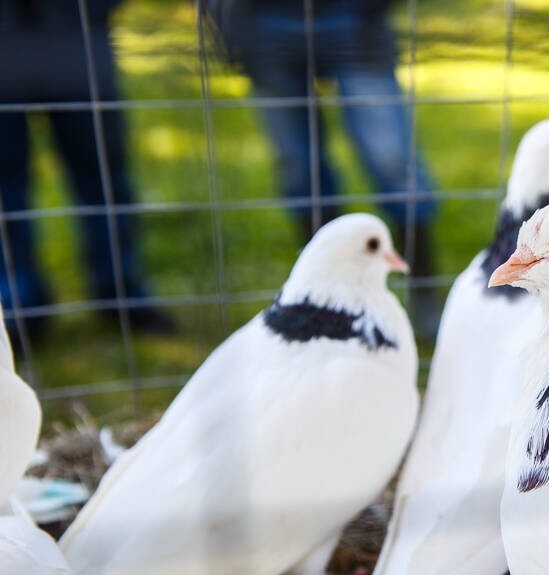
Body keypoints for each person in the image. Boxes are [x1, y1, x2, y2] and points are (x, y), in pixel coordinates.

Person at [203, 0, 441, 334]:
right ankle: (326, 300)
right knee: (299, 167)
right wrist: (224, 20)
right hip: (263, 23)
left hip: (356, 17)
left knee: (393, 160)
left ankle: (425, 295)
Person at [0, 0, 175, 347]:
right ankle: (17, 305)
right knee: (5, 186)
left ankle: (121, 292)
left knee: (105, 175)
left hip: (76, 31)